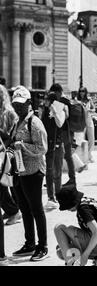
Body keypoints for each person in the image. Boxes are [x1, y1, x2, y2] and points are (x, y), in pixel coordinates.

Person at [10, 86, 49, 261]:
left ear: (28, 103)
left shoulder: (35, 122)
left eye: (20, 104)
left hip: (33, 171)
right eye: (15, 104)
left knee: (36, 209)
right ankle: (29, 243)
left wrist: (22, 146)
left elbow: (42, 148)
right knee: (25, 209)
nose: (17, 108)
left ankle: (43, 246)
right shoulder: (17, 121)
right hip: (20, 171)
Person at [54, 187, 97, 266]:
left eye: (67, 206)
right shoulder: (86, 202)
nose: (67, 209)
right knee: (60, 250)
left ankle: (71, 263)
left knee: (58, 228)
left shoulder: (83, 209)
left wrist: (85, 256)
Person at [41, 90, 68, 210]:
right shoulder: (44, 111)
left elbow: (60, 124)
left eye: (46, 100)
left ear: (51, 101)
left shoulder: (59, 109)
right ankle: (51, 197)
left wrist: (55, 111)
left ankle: (58, 196)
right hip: (48, 145)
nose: (44, 102)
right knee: (49, 172)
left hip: (57, 145)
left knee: (57, 172)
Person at [0, 84, 22, 227]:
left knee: (5, 184)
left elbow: (13, 135)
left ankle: (14, 211)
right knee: (4, 183)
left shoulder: (9, 113)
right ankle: (11, 210)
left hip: (8, 153)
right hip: (2, 153)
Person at [49, 83, 78, 187]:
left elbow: (57, 119)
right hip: (68, 132)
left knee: (64, 156)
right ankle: (71, 178)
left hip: (64, 133)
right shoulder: (66, 100)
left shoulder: (60, 102)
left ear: (57, 92)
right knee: (67, 156)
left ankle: (62, 179)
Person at [77, 87, 96, 163]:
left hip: (89, 120)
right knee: (81, 138)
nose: (82, 93)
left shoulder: (89, 100)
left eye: (83, 91)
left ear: (85, 92)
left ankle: (89, 155)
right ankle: (82, 155)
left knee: (91, 138)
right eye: (80, 91)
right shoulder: (77, 100)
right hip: (80, 121)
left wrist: (89, 110)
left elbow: (94, 109)